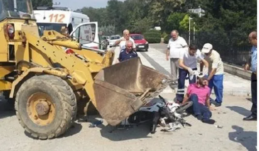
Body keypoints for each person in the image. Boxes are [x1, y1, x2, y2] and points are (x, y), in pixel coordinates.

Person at [243, 31, 257, 121]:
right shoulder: (253, 47)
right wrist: (248, 63)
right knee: (255, 94)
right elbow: (251, 56)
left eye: (250, 39)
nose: (249, 41)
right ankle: (255, 113)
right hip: (254, 74)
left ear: (256, 39)